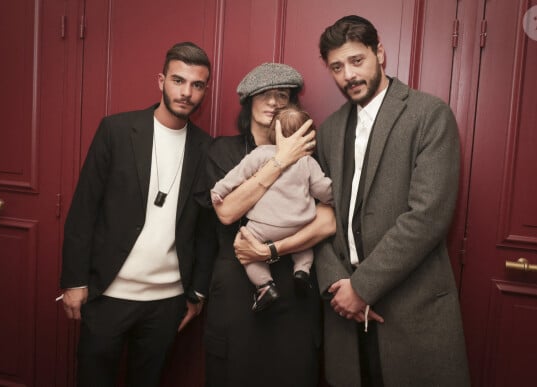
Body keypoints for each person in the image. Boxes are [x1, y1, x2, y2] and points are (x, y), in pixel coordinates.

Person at [308, 15, 471, 386]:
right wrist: (337, 284)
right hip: (343, 314)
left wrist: (361, 287)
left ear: (379, 52)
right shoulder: (330, 129)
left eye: (356, 60)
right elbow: (319, 214)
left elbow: (428, 216)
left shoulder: (429, 114)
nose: (348, 74)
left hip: (410, 309)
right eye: (337, 67)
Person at [59, 42, 215, 387]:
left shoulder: (206, 148)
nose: (186, 92)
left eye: (197, 85)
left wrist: (197, 294)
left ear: (205, 90)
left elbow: (206, 230)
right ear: (161, 80)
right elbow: (84, 208)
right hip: (108, 294)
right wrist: (74, 280)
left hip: (167, 302)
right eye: (178, 80)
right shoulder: (116, 131)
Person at [197, 62, 336, 387]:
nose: (274, 102)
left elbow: (327, 221)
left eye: (283, 96)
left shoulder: (310, 155)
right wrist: (279, 160)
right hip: (237, 287)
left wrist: (271, 249)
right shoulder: (222, 150)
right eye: (265, 95)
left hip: (294, 286)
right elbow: (227, 211)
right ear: (249, 101)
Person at [210, 105, 333, 312]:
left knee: (244, 247)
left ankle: (265, 286)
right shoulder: (309, 162)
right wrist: (334, 198)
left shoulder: (260, 154)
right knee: (304, 247)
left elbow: (237, 175)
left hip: (264, 227)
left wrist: (219, 190)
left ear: (273, 131)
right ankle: (302, 271)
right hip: (299, 225)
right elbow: (324, 190)